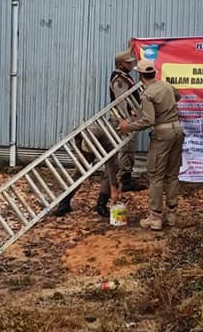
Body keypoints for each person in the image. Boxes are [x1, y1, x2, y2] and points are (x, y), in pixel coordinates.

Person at [118, 59, 184, 230]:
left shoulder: (148, 94)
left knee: (155, 175)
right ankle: (172, 214)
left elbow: (148, 120)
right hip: (177, 130)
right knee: (172, 174)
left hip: (162, 135)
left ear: (140, 75)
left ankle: (155, 217)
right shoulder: (166, 85)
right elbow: (178, 96)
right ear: (154, 73)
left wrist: (128, 127)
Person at [52, 124, 122, 218]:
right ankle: (64, 202)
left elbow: (110, 168)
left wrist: (113, 189)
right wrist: (82, 156)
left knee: (108, 175)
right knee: (79, 172)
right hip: (86, 144)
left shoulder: (108, 142)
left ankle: (101, 204)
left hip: (105, 146)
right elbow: (79, 148)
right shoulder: (79, 134)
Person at [110, 50, 144, 192]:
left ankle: (126, 176)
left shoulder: (124, 76)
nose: (130, 65)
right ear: (120, 64)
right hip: (124, 118)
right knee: (126, 148)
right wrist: (126, 120)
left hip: (128, 118)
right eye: (127, 63)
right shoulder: (119, 79)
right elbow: (121, 100)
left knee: (129, 148)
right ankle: (125, 178)